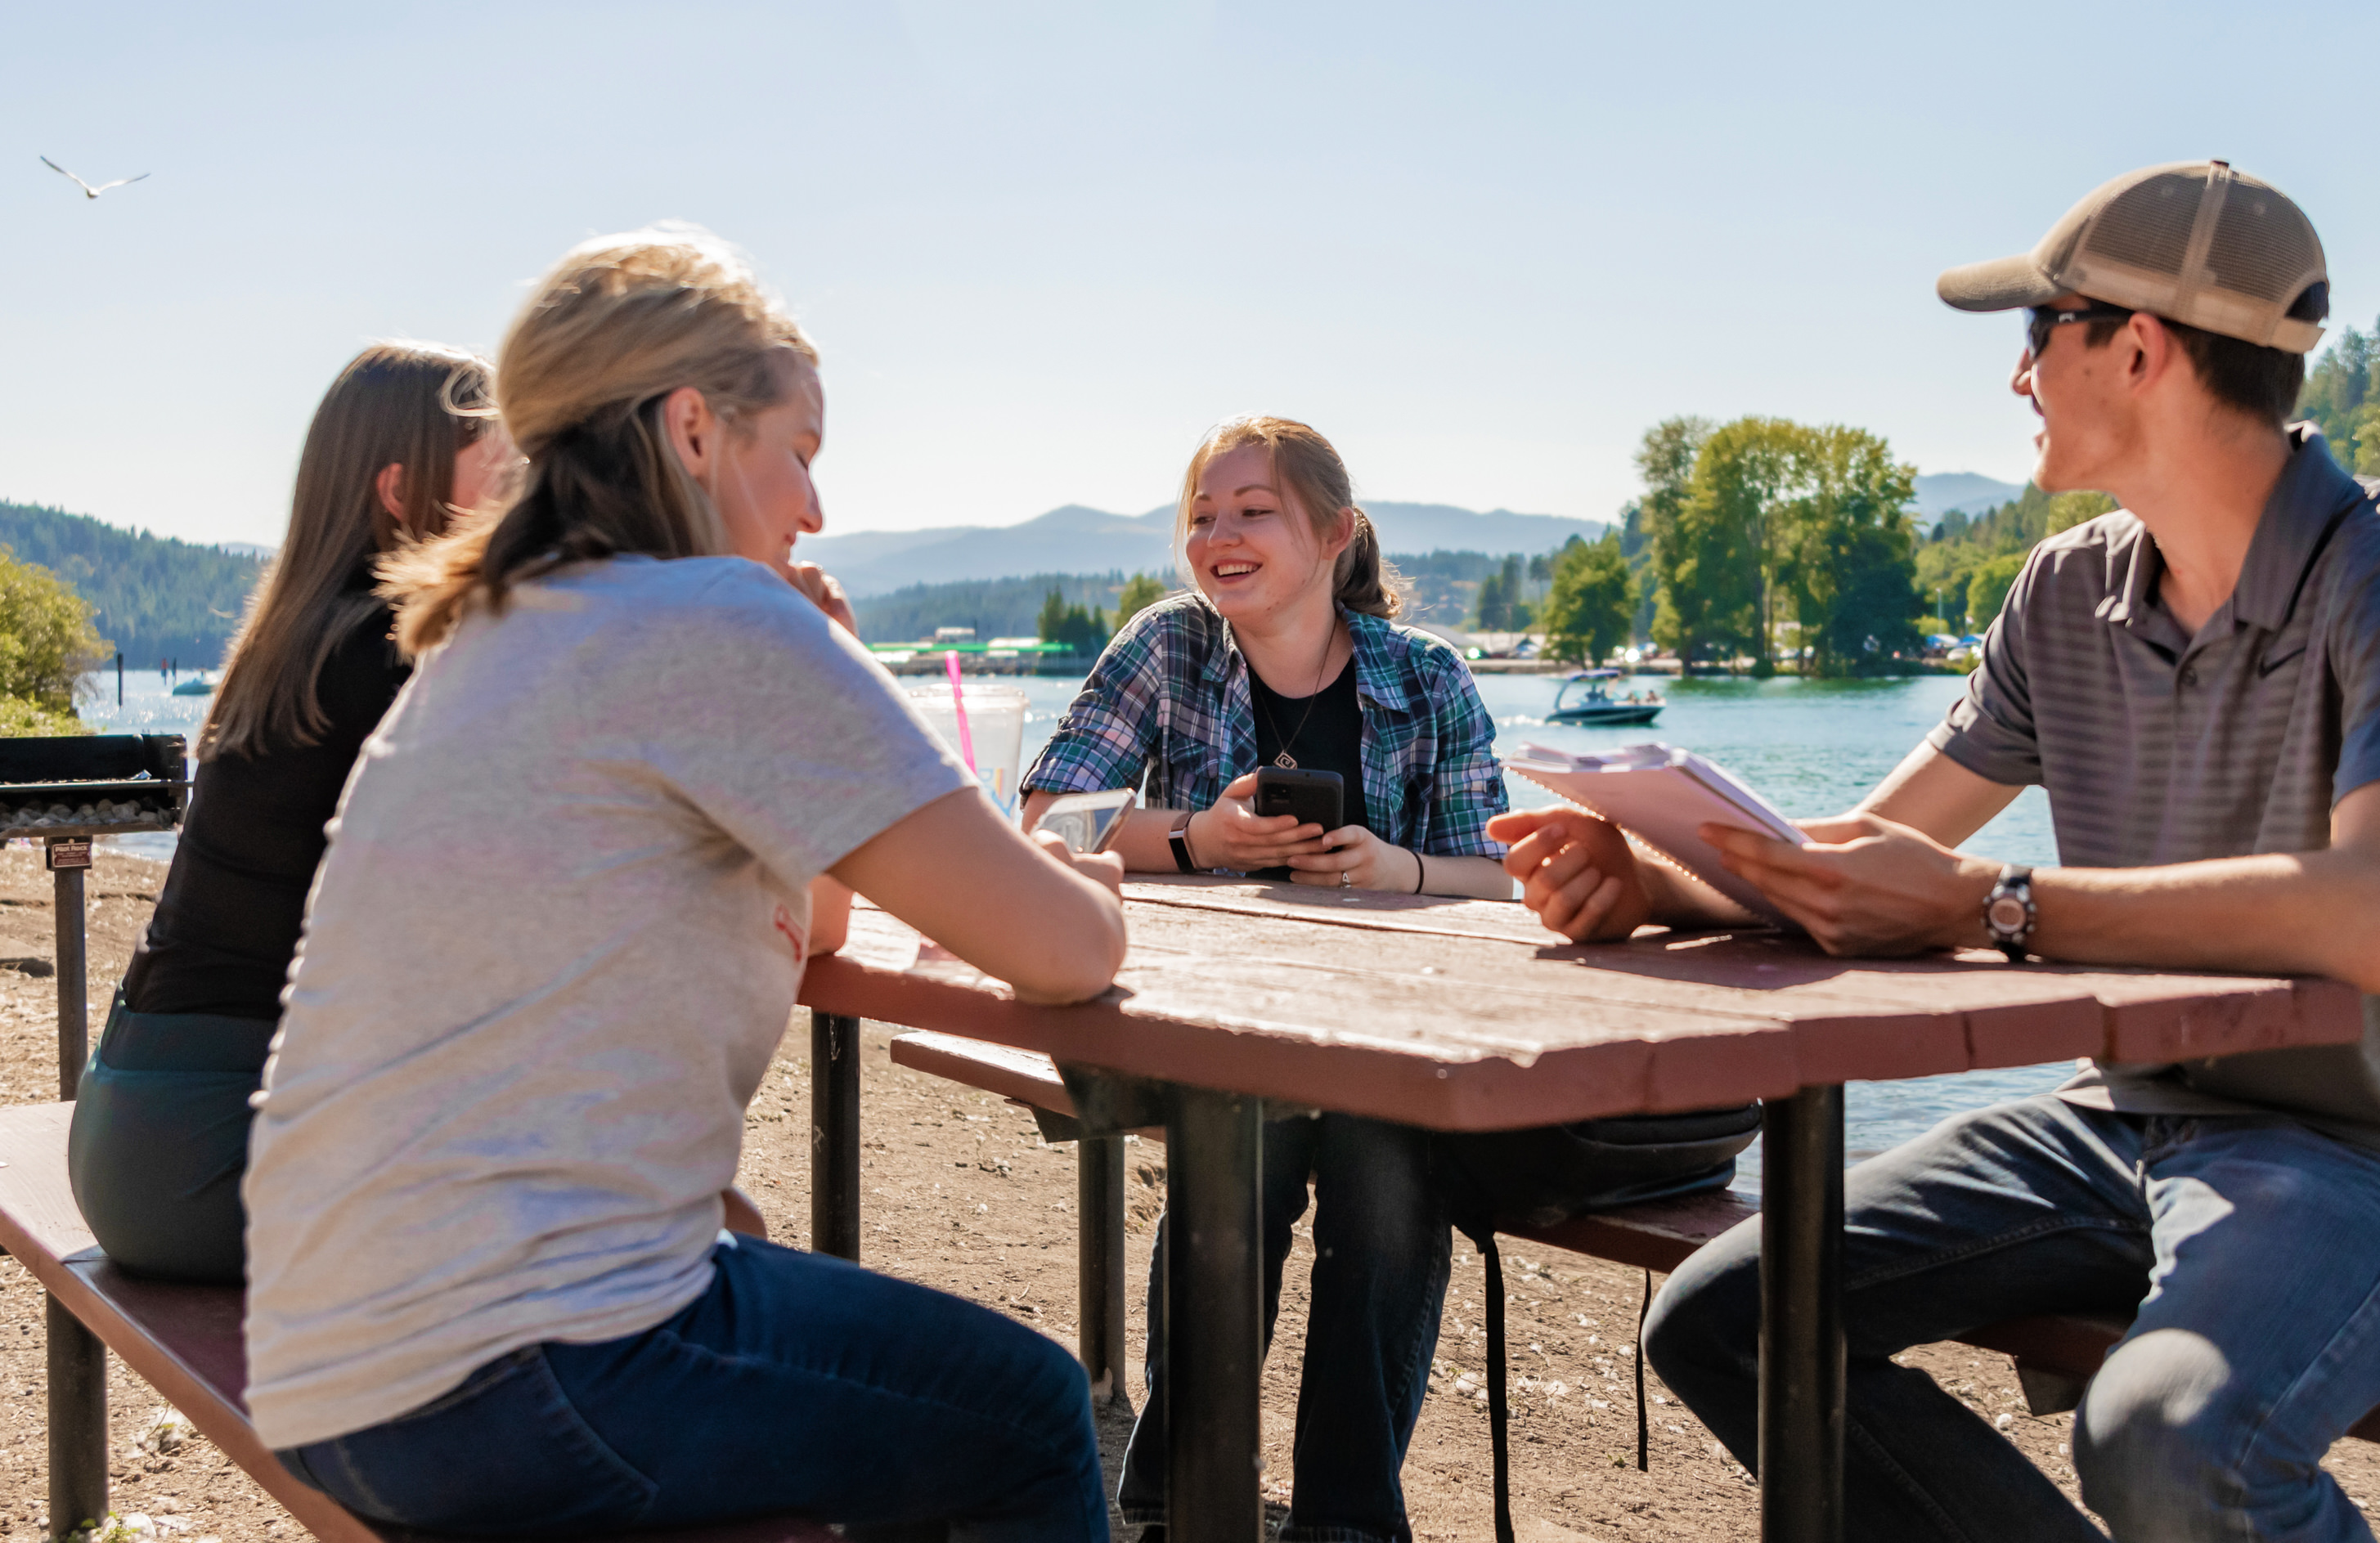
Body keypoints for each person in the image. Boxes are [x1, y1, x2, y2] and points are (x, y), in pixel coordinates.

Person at [1494, 161, 2380, 1542]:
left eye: (2034, 334)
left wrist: (1998, 906)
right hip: (2121, 1121)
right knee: (1730, 1316)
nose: (2014, 379)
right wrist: (1661, 876)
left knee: (2173, 1443)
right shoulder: (2065, 590)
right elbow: (1866, 853)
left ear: (2138, 346)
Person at [240, 227, 1129, 1540]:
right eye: (804, 452)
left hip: (329, 1358)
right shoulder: (710, 619)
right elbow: (1066, 953)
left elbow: (809, 909)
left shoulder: (504, 629)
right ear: (696, 430)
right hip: (512, 1368)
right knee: (1031, 1414)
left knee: (837, 1355)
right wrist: (1070, 872)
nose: (815, 510)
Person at [1020, 414, 1511, 1542]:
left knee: (1388, 1175)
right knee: (1237, 1153)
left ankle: (1346, 1521)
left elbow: (1504, 877)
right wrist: (1202, 836)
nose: (1218, 536)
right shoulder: (1165, 646)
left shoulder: (1427, 674)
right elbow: (1047, 820)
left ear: (1334, 533)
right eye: (1202, 516)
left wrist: (1401, 867)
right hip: (1221, 1021)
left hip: (1392, 1034)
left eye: (1252, 511)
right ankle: (1176, 1500)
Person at [68, 341, 514, 1283]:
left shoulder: (306, 637)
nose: (524, 499)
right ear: (402, 489)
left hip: (139, 1129)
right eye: (502, 473)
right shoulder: (388, 655)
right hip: (211, 1157)